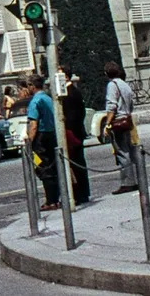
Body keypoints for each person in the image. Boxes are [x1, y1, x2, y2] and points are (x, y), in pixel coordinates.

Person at [22, 74, 59, 211]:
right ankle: (56, 198)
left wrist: (29, 142)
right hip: (51, 134)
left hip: (41, 138)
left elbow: (33, 124)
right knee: (53, 167)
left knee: (43, 167)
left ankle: (51, 200)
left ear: (32, 86)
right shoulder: (48, 99)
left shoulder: (35, 101)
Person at [103, 61, 139, 195]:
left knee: (122, 152)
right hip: (127, 120)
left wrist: (107, 123)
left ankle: (128, 182)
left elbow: (111, 106)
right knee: (129, 150)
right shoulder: (125, 84)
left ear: (107, 74)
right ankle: (134, 178)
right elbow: (131, 104)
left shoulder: (112, 85)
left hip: (118, 121)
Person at [59, 69, 91, 206]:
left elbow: (74, 115)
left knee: (76, 163)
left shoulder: (71, 93)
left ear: (65, 76)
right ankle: (80, 193)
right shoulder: (70, 92)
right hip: (75, 132)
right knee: (75, 163)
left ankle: (80, 194)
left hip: (73, 133)